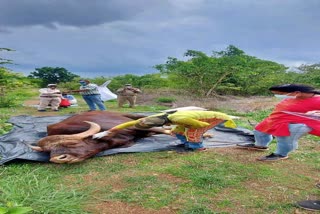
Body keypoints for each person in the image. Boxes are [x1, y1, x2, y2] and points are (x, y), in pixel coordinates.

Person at [237, 84, 320, 161]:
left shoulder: (317, 100)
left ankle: (281, 154)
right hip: (276, 119)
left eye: (280, 93)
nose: (278, 95)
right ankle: (260, 145)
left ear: (297, 93)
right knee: (260, 130)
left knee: (285, 139)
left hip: (296, 123)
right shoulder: (293, 97)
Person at [92, 110, 237, 151]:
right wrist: (108, 132)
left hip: (214, 117)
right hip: (186, 120)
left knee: (193, 132)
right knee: (178, 132)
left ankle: (197, 147)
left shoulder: (180, 119)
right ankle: (187, 142)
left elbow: (198, 125)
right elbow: (128, 124)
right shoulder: (153, 118)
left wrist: (184, 128)